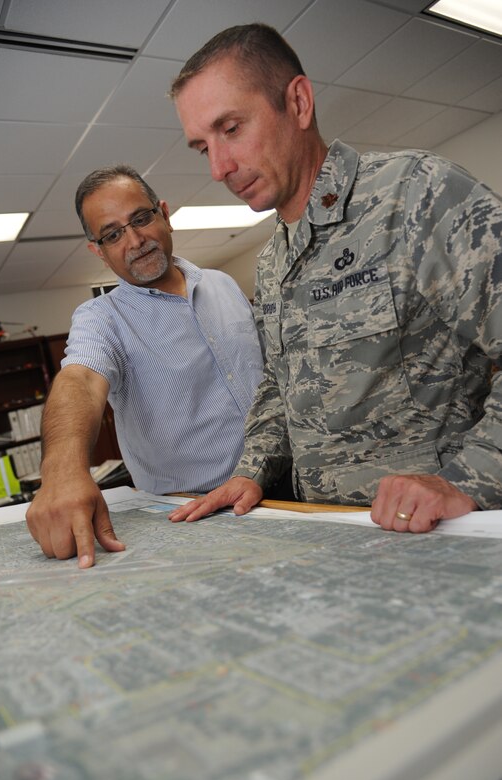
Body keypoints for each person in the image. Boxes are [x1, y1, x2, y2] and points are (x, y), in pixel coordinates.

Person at [168, 22, 502, 533]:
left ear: (299, 103)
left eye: (231, 128)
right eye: (202, 147)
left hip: (431, 536)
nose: (218, 168)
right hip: (328, 533)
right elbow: (281, 385)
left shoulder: (414, 194)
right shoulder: (272, 261)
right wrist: (252, 470)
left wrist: (466, 479)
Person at [26, 165, 265, 567]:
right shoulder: (102, 319)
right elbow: (80, 380)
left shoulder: (222, 284)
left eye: (140, 218)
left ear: (164, 214)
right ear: (98, 251)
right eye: (113, 234)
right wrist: (62, 472)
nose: (135, 241)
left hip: (283, 487)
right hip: (198, 516)